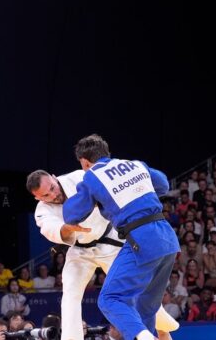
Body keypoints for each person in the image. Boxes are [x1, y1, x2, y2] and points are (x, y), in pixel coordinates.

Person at [27, 169, 179, 340]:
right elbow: (48, 227)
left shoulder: (79, 177)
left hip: (109, 242)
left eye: (53, 188)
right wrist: (64, 229)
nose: (54, 195)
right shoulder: (42, 211)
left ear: (55, 178)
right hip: (80, 251)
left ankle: (163, 322)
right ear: (38, 198)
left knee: (135, 288)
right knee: (70, 291)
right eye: (46, 195)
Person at [63, 135, 179, 340]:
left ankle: (144, 338)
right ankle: (145, 334)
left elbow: (72, 214)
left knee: (109, 299)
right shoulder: (134, 164)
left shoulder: (91, 176)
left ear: (85, 162)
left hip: (141, 239)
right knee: (146, 306)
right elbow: (163, 185)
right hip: (167, 238)